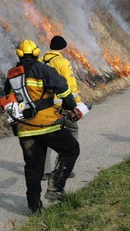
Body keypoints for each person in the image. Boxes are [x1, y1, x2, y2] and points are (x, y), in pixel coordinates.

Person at [0, 39, 88, 213]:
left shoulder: (12, 75)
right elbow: (63, 87)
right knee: (71, 149)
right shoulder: (42, 69)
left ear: (19, 54)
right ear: (36, 53)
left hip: (25, 129)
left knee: (33, 167)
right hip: (47, 125)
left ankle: (34, 206)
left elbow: (7, 97)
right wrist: (72, 107)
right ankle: (55, 188)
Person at [39, 35, 86, 179]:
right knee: (71, 132)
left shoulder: (40, 61)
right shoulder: (63, 62)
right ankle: (64, 167)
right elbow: (69, 85)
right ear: (62, 48)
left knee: (46, 136)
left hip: (44, 106)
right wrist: (76, 104)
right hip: (62, 105)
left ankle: (43, 171)